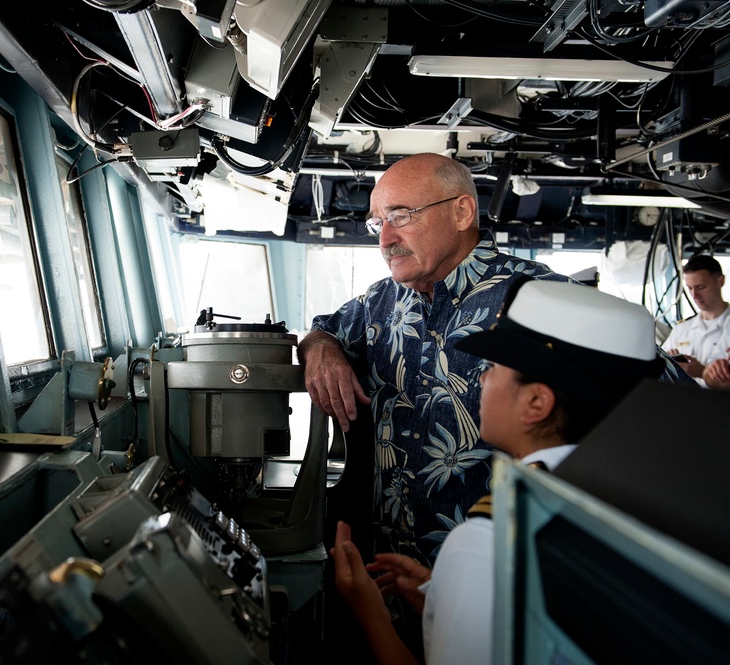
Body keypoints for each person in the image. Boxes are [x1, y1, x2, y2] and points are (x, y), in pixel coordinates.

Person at [299, 152, 693, 653]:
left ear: (462, 212)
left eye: (401, 216)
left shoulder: (538, 299)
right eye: (379, 220)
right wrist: (322, 350)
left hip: (502, 576)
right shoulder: (380, 302)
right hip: (400, 580)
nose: (384, 238)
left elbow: (664, 394)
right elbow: (322, 329)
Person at [330, 278, 666, 665]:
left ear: (536, 402)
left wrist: (369, 611)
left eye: (492, 368)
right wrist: (449, 597)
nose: (481, 379)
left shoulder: (492, 542)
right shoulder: (635, 503)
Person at [662, 254, 730, 386]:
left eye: (701, 287)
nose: (695, 295)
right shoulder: (681, 330)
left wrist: (701, 371)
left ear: (720, 281)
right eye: (690, 288)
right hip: (686, 402)